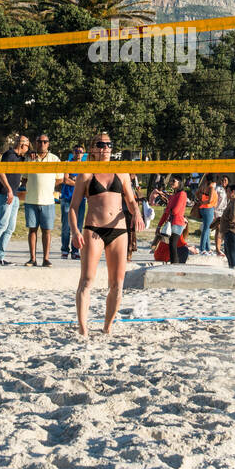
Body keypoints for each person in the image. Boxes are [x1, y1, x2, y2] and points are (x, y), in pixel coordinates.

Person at [68, 131, 144, 336]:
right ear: (93, 148)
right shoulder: (86, 173)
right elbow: (73, 207)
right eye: (101, 145)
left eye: (108, 145)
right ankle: (83, 329)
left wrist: (136, 212)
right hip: (93, 229)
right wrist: (75, 231)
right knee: (86, 280)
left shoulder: (122, 172)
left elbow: (130, 200)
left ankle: (107, 328)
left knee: (117, 285)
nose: (105, 148)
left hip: (118, 230)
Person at [0, 134, 28, 265]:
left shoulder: (20, 158)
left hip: (14, 195)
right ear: (22, 145)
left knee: (10, 228)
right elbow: (1, 172)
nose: (28, 148)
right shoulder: (9, 155)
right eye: (27, 146)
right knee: (2, 224)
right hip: (4, 194)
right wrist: (8, 189)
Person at [22, 134, 59, 267]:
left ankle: (46, 258)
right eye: (40, 141)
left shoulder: (55, 159)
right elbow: (24, 177)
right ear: (36, 143)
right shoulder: (29, 158)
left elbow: (59, 179)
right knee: (32, 230)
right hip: (31, 200)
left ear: (48, 144)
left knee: (46, 231)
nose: (42, 144)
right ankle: (32, 258)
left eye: (45, 142)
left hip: (48, 201)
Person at [60, 144, 87, 259]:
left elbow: (87, 181)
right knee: (66, 226)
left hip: (81, 199)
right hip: (67, 197)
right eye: (76, 151)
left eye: (81, 151)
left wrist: (76, 182)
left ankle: (75, 250)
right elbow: (65, 179)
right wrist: (78, 184)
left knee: (79, 226)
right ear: (73, 152)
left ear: (83, 153)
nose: (78, 153)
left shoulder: (85, 165)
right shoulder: (68, 163)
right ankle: (65, 249)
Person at [153, 174, 189, 264]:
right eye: (171, 181)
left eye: (174, 181)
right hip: (170, 223)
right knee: (171, 245)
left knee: (173, 244)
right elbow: (166, 213)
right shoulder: (172, 196)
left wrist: (167, 209)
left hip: (177, 223)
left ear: (180, 183)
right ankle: (174, 264)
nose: (171, 182)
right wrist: (158, 226)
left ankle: (174, 265)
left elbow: (175, 211)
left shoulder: (182, 194)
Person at [197, 175, 218, 254]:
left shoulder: (204, 186)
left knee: (207, 228)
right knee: (206, 229)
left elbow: (197, 193)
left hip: (203, 208)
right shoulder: (211, 188)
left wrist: (200, 201)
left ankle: (207, 248)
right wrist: (203, 202)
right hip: (208, 208)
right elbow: (209, 201)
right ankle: (202, 248)